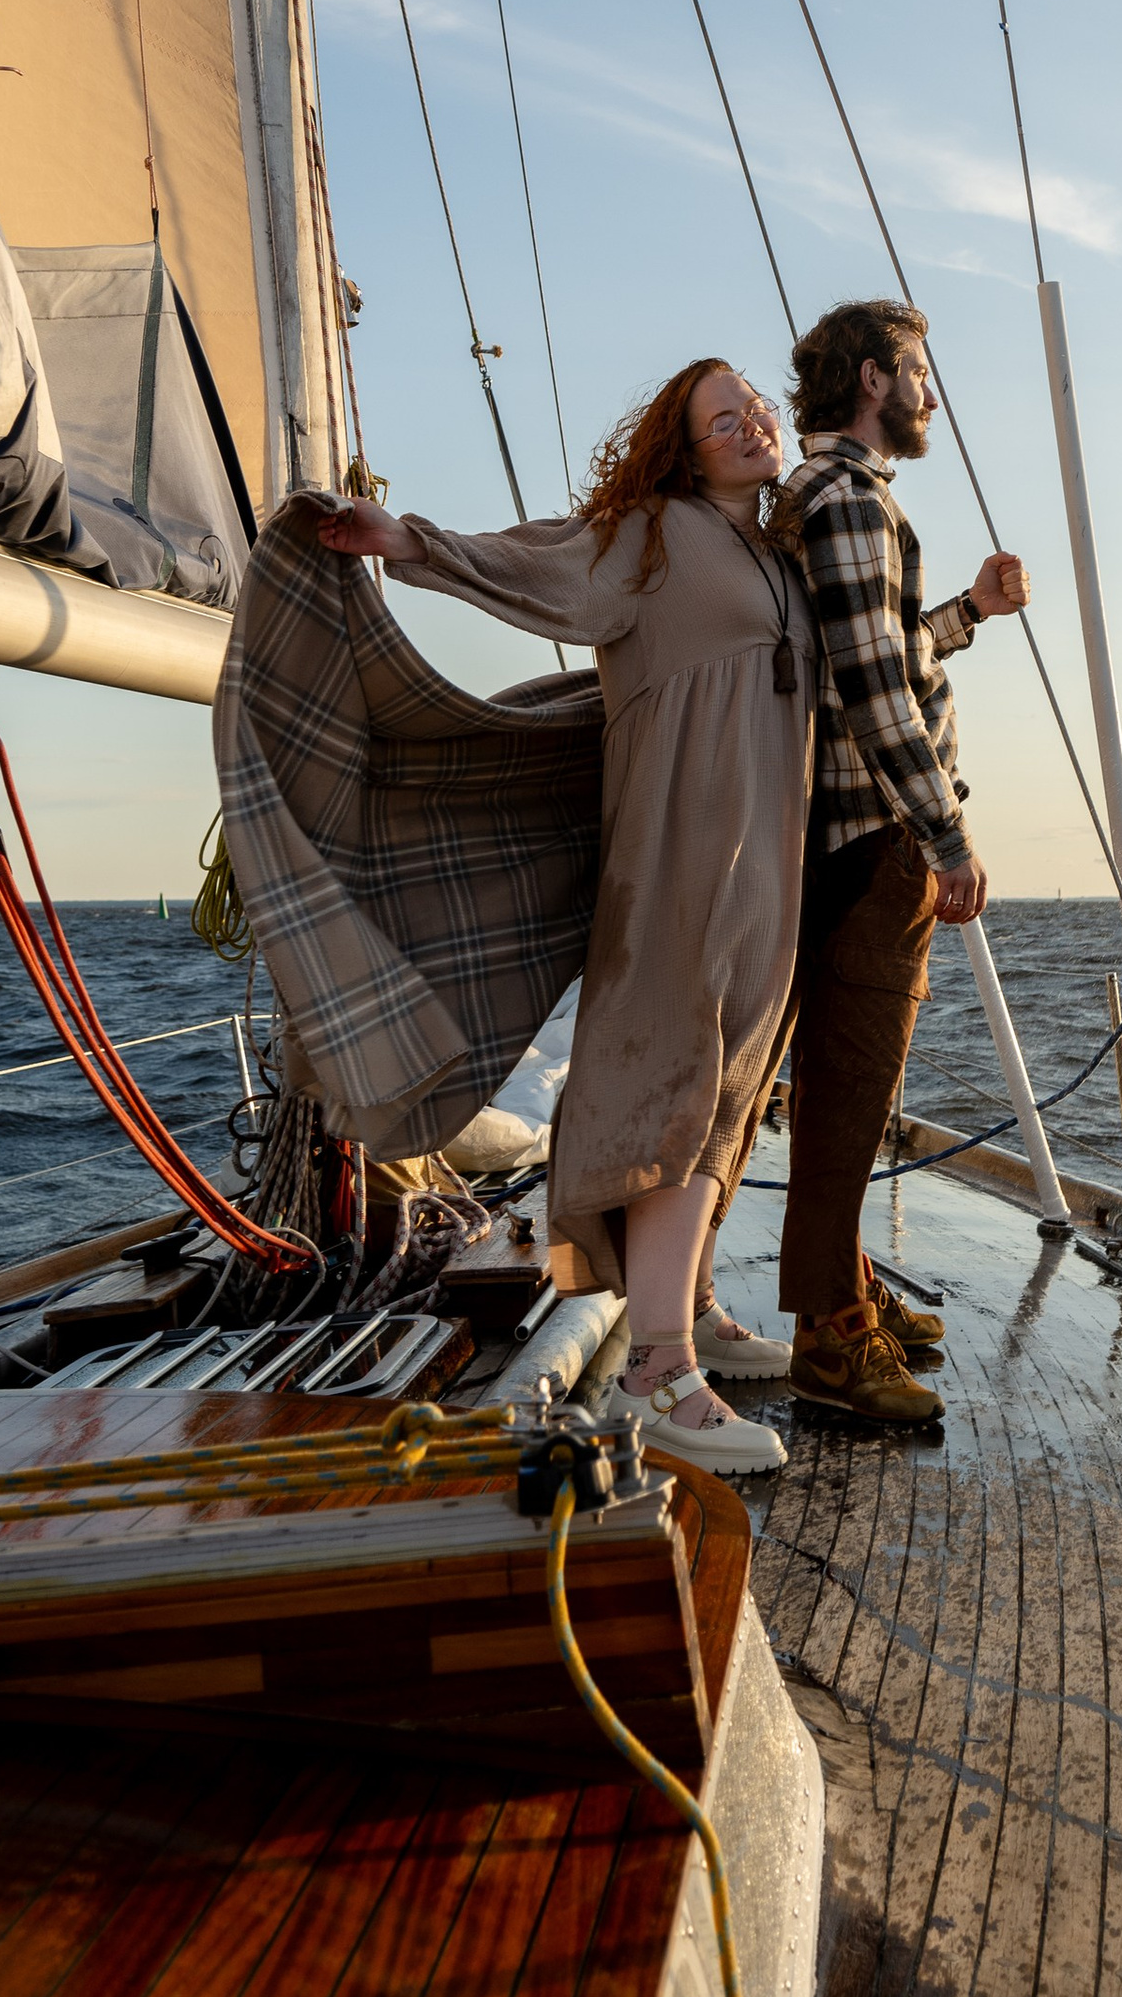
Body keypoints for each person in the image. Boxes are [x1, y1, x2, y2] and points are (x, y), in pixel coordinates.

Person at [317, 360, 812, 1474]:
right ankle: (655, 1371)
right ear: (684, 449)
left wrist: (966, 615)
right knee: (674, 1091)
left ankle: (689, 1302)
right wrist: (407, 540)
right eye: (722, 419)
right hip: (679, 860)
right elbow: (536, 563)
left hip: (768, 862)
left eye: (756, 407)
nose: (750, 424)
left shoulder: (784, 551)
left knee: (730, 1090)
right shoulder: (649, 534)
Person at [775, 298, 1030, 1421]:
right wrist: (946, 834)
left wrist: (968, 611)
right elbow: (874, 693)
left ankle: (844, 1285)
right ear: (875, 379)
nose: (930, 392)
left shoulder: (825, 496)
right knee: (850, 1090)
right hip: (873, 839)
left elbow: (876, 650)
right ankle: (830, 1342)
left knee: (844, 1086)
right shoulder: (849, 501)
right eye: (918, 371)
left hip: (851, 835)